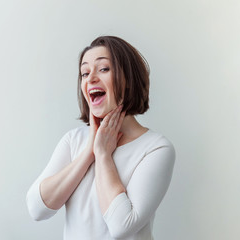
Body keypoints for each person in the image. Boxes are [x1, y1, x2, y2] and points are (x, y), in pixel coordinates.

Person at [26, 36, 176, 240]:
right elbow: (37, 209)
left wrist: (103, 154)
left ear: (129, 80)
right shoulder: (73, 140)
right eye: (85, 73)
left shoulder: (156, 148)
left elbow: (121, 226)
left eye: (104, 69)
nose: (90, 79)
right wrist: (89, 152)